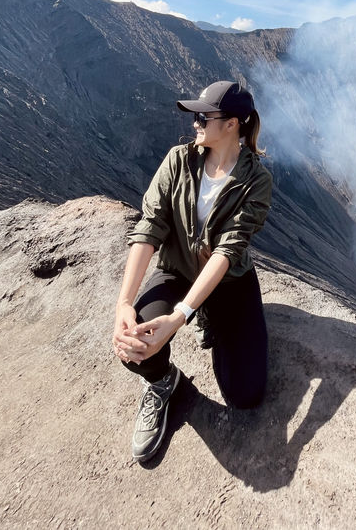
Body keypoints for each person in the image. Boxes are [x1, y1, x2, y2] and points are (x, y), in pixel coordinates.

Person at [112, 80, 272, 462]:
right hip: (178, 270)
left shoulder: (256, 181)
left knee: (245, 394)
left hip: (229, 281)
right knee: (133, 343)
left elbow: (227, 251)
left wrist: (180, 315)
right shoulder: (178, 160)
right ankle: (163, 383)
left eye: (203, 117)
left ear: (232, 124)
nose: (195, 123)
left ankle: (212, 317)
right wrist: (124, 303)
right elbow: (150, 226)